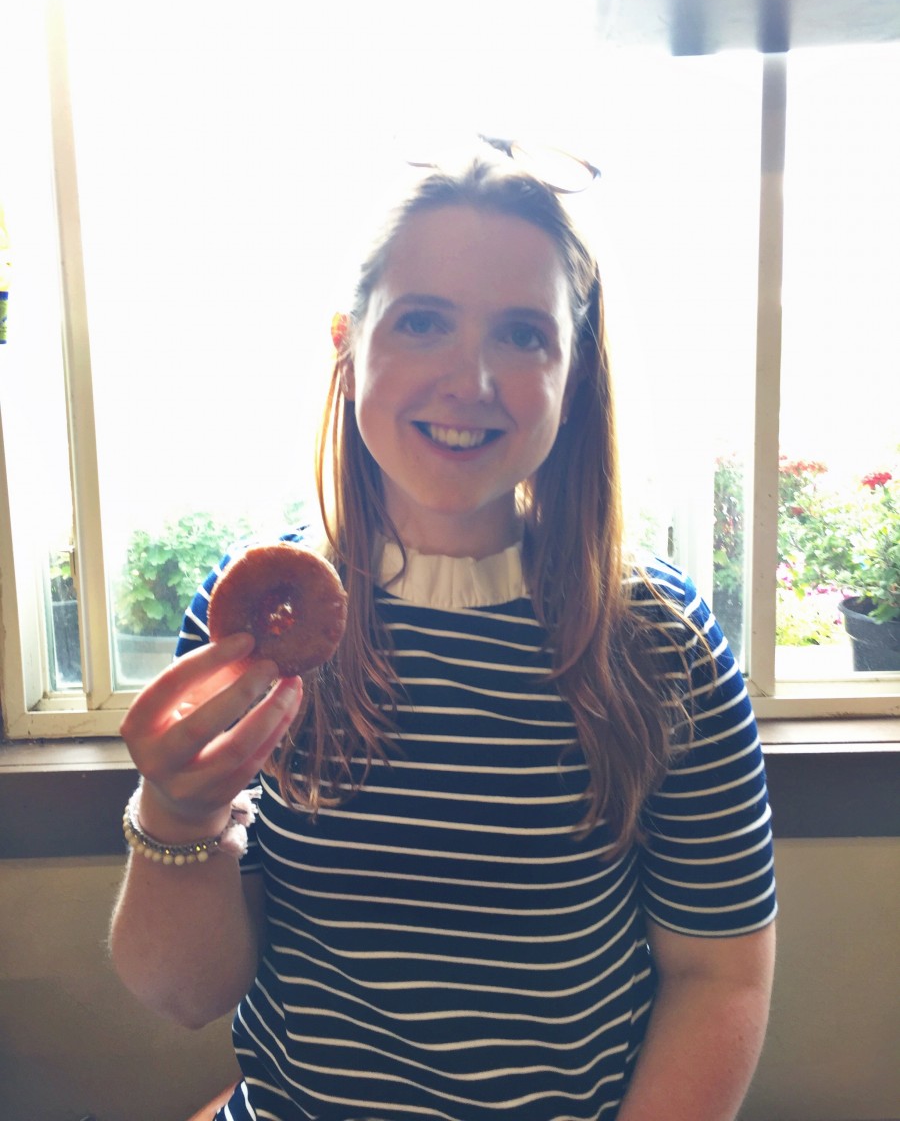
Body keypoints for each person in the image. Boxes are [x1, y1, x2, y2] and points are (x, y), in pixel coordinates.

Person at [110, 146, 777, 1121]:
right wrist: (176, 813)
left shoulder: (661, 641)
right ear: (348, 344)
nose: (471, 380)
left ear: (572, 372)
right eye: (423, 322)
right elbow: (186, 993)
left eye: (522, 336)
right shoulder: (258, 625)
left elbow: (719, 978)